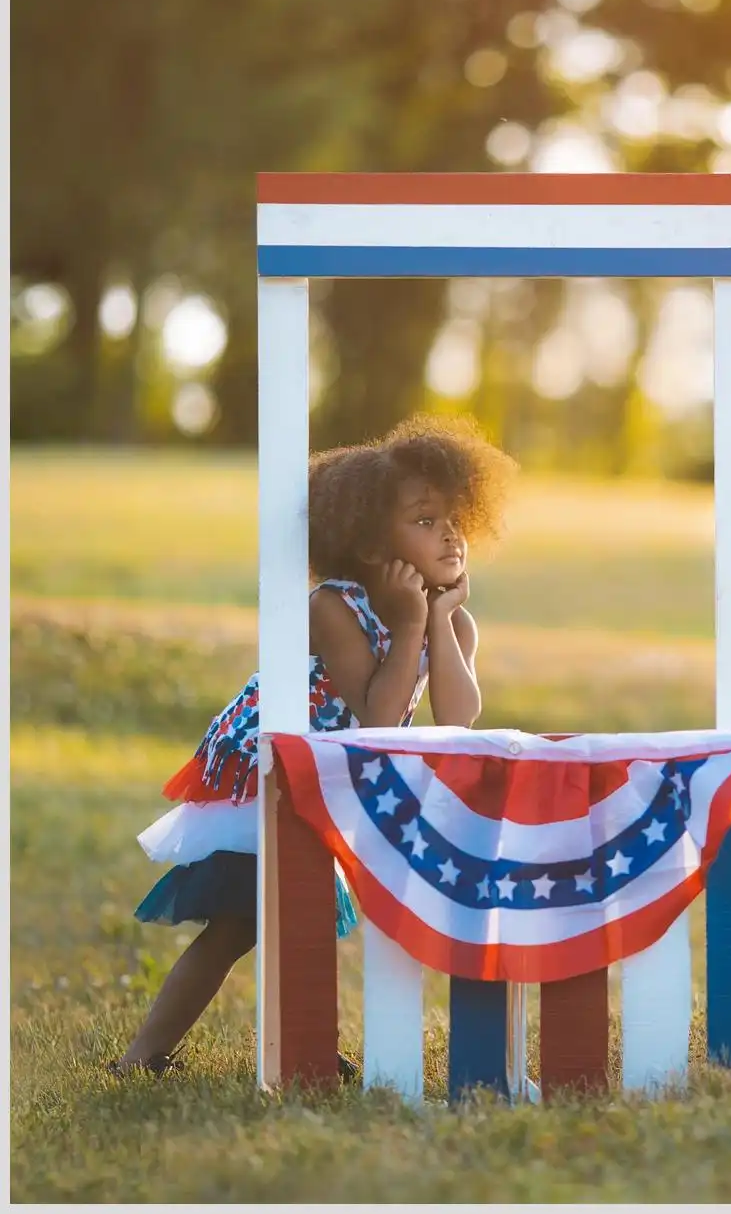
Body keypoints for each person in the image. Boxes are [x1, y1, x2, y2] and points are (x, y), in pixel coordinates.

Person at [110, 414, 517, 1079]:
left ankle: (301, 1042)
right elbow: (377, 713)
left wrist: (439, 620)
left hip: (334, 771)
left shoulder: (451, 616)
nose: (448, 534)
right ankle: (142, 1055)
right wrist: (413, 621)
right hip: (269, 766)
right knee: (244, 922)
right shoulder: (334, 605)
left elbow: (460, 714)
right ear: (365, 542)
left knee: (300, 915)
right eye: (423, 520)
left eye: (453, 518)